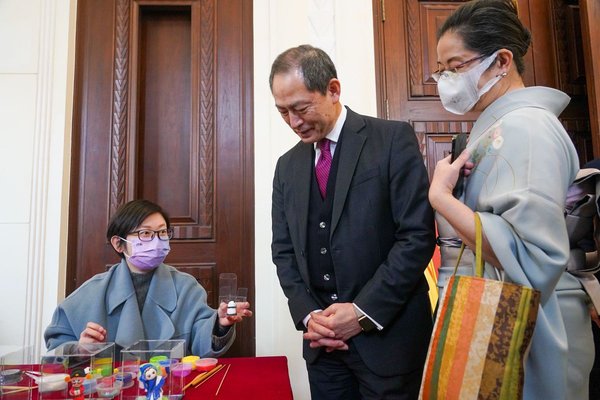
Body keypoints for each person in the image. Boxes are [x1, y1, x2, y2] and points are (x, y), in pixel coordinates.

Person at [428, 1, 593, 398]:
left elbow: (535, 258)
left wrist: (442, 198)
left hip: (530, 317)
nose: (446, 80)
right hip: (496, 307)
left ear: (502, 60)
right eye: (442, 70)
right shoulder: (501, 126)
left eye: (456, 66)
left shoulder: (527, 127)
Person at [270, 44, 436, 399]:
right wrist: (309, 315)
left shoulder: (392, 140)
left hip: (388, 342)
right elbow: (284, 252)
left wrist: (361, 313)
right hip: (322, 348)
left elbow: (416, 237)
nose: (294, 122)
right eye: (283, 112)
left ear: (333, 90)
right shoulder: (287, 166)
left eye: (301, 108)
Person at [44, 199, 252, 356]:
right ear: (118, 243)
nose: (157, 240)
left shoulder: (186, 287)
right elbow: (57, 347)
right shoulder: (91, 293)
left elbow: (200, 342)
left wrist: (220, 324)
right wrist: (79, 349)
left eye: (162, 232)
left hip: (169, 389)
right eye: (145, 234)